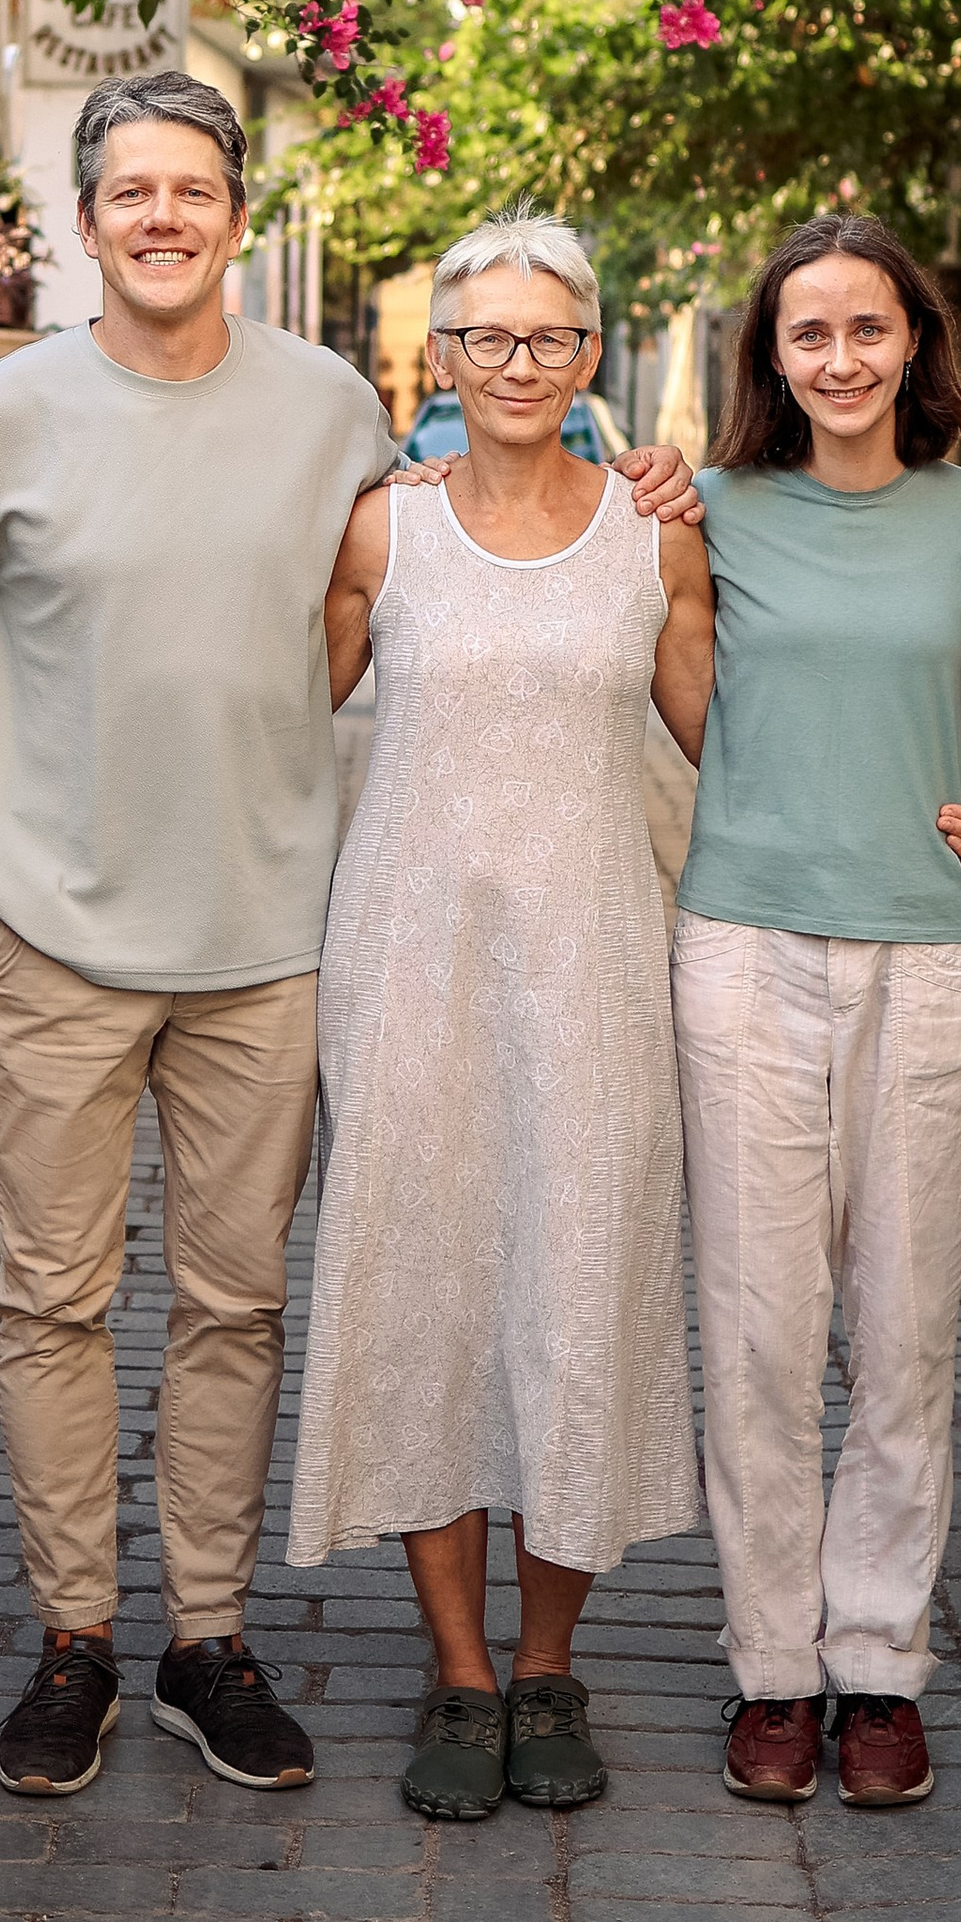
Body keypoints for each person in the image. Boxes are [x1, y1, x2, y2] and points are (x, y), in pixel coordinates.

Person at [0, 74, 701, 1804]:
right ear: (86, 222)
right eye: (130, 190)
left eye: (194, 189)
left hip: (272, 942)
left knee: (235, 1303)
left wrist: (651, 481)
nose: (163, 216)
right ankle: (76, 1636)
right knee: (55, 1297)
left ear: (237, 216)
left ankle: (206, 1642)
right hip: (59, 937)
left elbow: (475, 551)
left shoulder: (331, 412)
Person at [291, 210, 717, 1823]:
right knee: (421, 1287)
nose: (517, 363)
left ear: (589, 353)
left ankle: (552, 1664)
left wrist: (930, 812)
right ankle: (459, 1673)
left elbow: (732, 747)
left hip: (596, 970)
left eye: (548, 337)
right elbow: (268, 713)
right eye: (485, 338)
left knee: (576, 1290)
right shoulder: (381, 534)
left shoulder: (653, 534)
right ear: (440, 358)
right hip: (405, 968)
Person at [670, 216, 961, 1814]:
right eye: (809, 334)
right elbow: (675, 687)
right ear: (773, 358)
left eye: (867, 328)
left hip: (928, 952)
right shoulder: (716, 507)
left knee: (902, 1324)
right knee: (754, 1327)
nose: (842, 358)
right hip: (743, 944)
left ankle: (878, 1664)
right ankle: (772, 1670)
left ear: (912, 340)